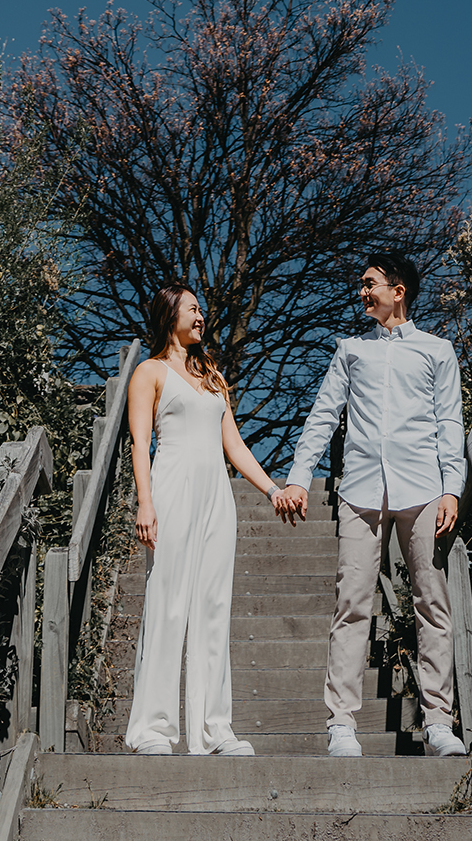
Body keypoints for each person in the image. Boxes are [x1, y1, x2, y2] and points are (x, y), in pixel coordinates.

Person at [274, 253, 468, 760]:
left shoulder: (437, 351)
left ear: (397, 290)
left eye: (370, 284)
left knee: (432, 602)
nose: (362, 292)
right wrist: (298, 478)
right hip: (360, 490)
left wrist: (452, 487)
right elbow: (322, 416)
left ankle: (439, 722)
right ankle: (341, 723)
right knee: (352, 602)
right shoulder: (350, 351)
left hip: (423, 488)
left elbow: (449, 423)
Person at [124, 282, 283, 757]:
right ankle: (152, 730)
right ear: (169, 313)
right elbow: (139, 444)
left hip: (217, 498)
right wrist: (145, 502)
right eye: (193, 309)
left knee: (213, 609)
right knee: (168, 605)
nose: (201, 316)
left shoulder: (213, 377)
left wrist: (272, 490)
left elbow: (233, 445)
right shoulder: (148, 373)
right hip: (171, 491)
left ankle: (215, 732)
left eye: (202, 310)